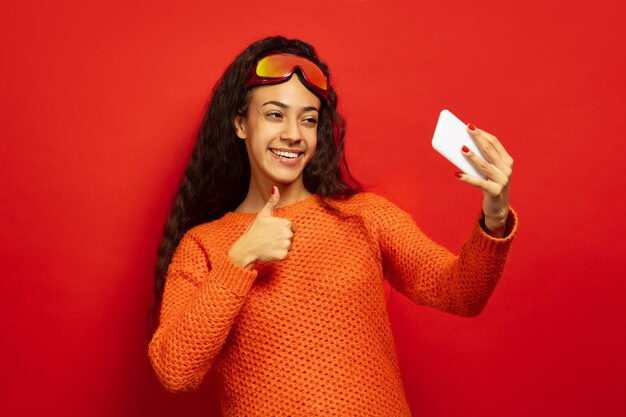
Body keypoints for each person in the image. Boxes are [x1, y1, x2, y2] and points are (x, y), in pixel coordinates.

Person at [148, 36, 517, 416]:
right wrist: (240, 259)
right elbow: (175, 371)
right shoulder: (204, 246)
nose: (293, 132)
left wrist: (496, 215)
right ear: (241, 123)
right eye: (275, 114)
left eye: (308, 119)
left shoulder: (365, 217)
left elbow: (461, 293)